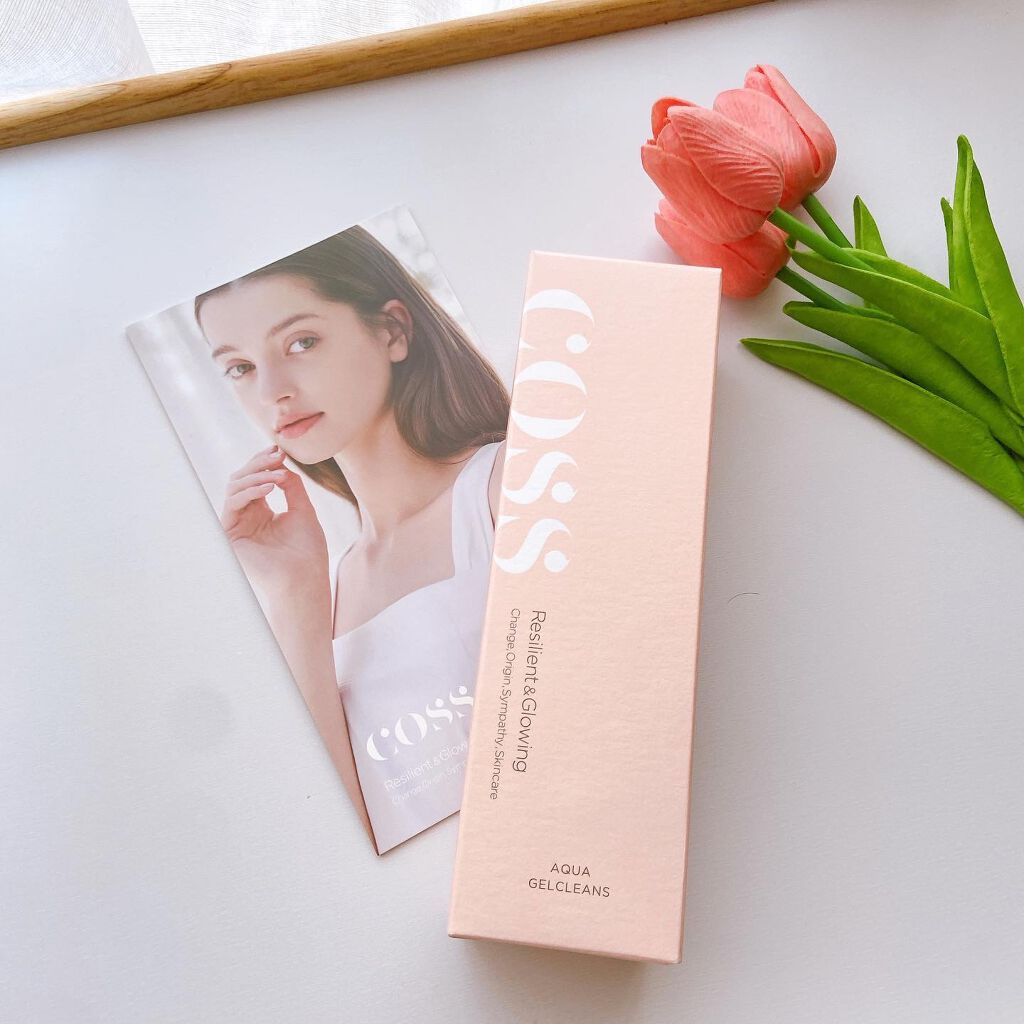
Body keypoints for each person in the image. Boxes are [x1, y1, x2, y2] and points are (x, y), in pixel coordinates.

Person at [194, 225, 509, 851]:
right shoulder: (328, 586)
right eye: (240, 367)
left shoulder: (509, 486)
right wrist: (296, 591)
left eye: (301, 342)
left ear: (392, 330)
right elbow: (348, 838)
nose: (271, 391)